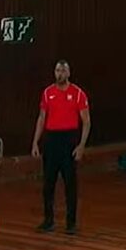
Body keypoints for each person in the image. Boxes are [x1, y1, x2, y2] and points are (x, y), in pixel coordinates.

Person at [32, 60, 91, 234]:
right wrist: (36, 141)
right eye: (57, 70)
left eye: (63, 71)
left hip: (69, 139)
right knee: (48, 183)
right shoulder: (47, 92)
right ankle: (48, 220)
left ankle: (71, 223)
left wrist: (81, 145)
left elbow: (86, 121)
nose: (60, 74)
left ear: (69, 73)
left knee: (70, 183)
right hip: (51, 140)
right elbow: (42, 118)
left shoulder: (78, 93)